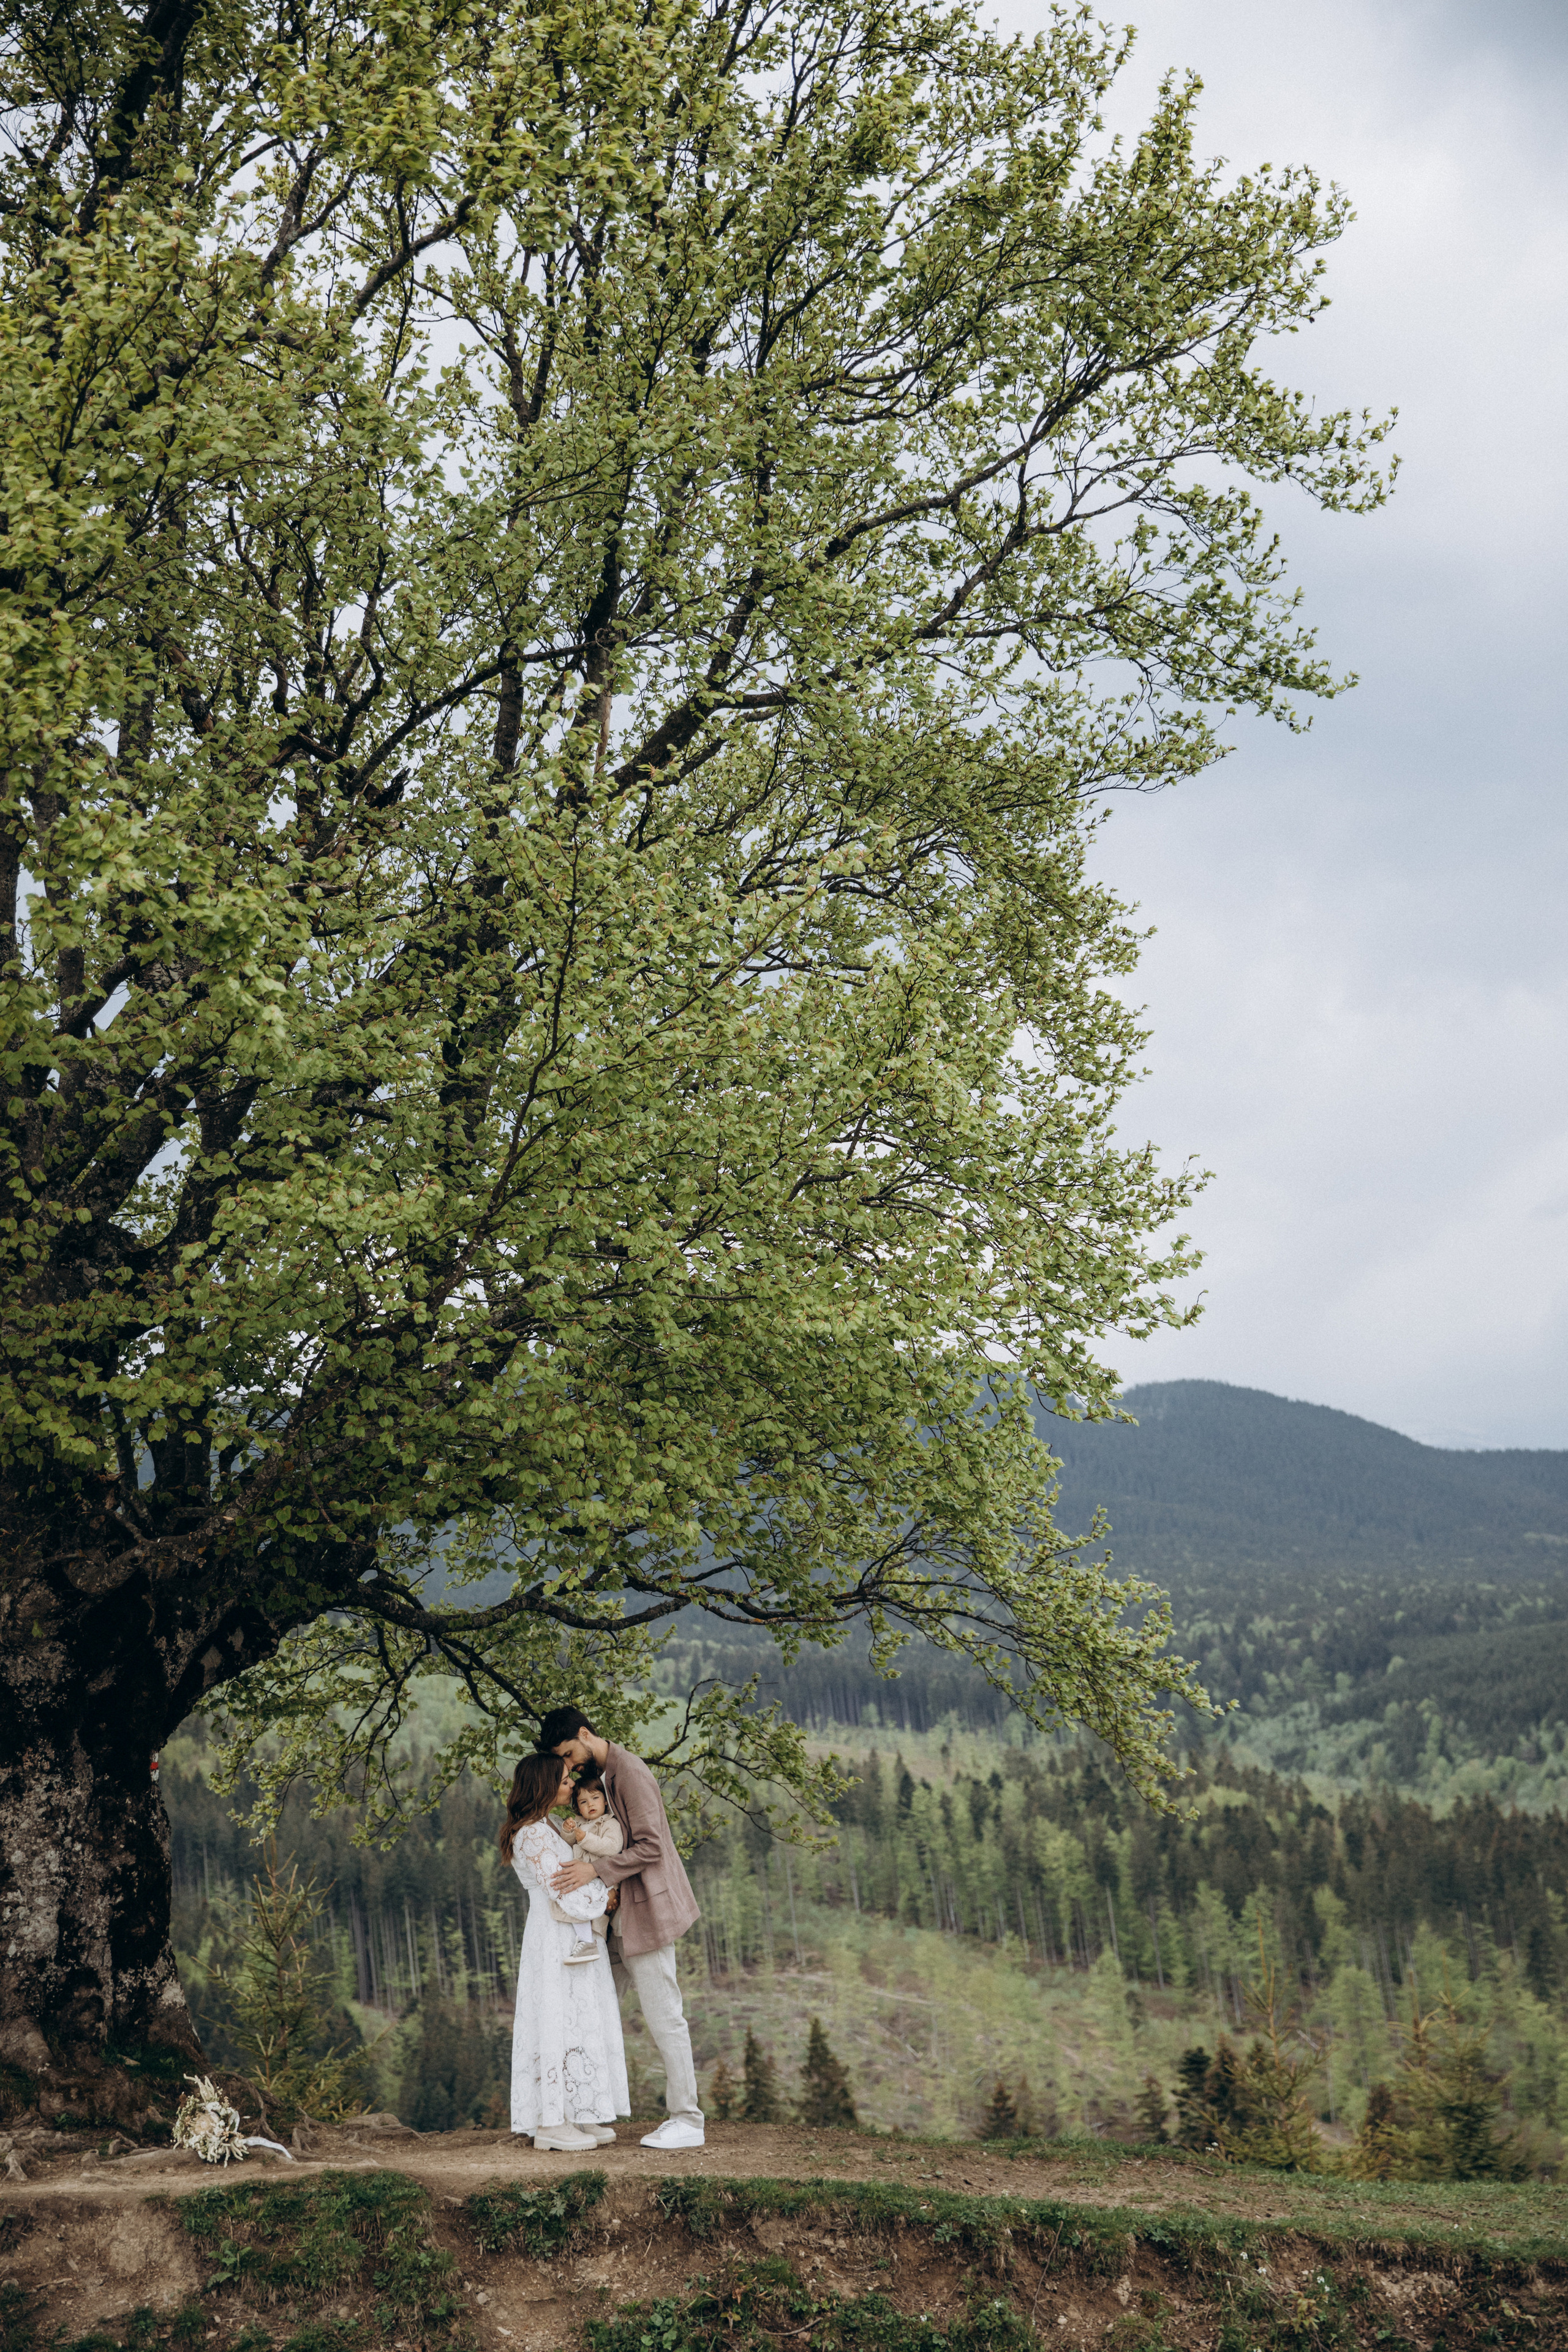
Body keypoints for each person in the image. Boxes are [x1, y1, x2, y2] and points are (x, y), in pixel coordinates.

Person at [537, 1704, 705, 2150]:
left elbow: (651, 1847)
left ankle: (688, 2118)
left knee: (665, 2014)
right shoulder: (606, 1779)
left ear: (586, 1734)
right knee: (593, 2010)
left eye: (570, 1754)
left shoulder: (629, 1773)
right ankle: (578, 2114)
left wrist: (597, 1873)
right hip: (617, 1919)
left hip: (647, 1913)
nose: (570, 1767)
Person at [499, 1752, 629, 2152]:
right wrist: (605, 1898)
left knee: (577, 2017)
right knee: (557, 2017)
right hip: (555, 1930)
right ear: (544, 1784)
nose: (572, 1786)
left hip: (567, 1928)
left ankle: (575, 2109)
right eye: (565, 1780)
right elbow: (561, 1885)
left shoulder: (549, 1826)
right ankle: (550, 2121)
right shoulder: (534, 1833)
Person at [552, 1767, 624, 1965]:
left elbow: (612, 1847)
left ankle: (595, 1942)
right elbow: (567, 1843)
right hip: (584, 1879)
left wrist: (586, 1839)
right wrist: (568, 1831)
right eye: (583, 1802)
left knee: (599, 1914)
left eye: (595, 1799)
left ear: (605, 1801)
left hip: (604, 1880)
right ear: (577, 1808)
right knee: (581, 1909)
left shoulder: (610, 1824)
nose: (590, 1804)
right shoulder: (579, 1823)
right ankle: (587, 1942)